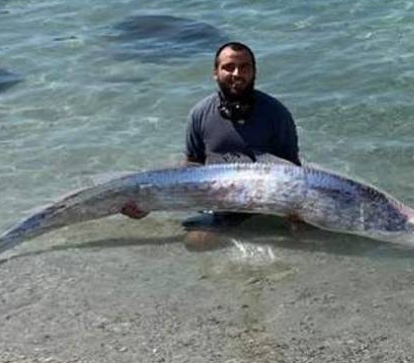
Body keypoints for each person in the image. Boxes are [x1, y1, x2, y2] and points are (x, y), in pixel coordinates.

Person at [122, 41, 301, 249]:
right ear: (215, 73)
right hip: (220, 203)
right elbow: (192, 169)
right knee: (197, 243)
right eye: (228, 67)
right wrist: (149, 204)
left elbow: (294, 171)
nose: (237, 73)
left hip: (269, 202)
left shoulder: (277, 113)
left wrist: (296, 212)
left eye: (245, 67)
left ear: (254, 72)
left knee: (306, 234)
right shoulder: (200, 113)